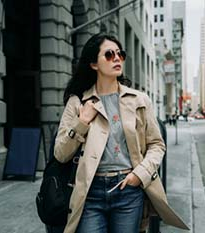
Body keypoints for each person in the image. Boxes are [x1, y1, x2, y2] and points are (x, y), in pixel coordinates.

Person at [54, 33, 188, 233]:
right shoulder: (78, 103)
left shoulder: (139, 100)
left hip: (128, 189)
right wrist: (82, 122)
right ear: (94, 64)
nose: (117, 58)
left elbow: (157, 145)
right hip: (89, 193)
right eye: (109, 55)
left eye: (120, 54)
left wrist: (139, 175)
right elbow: (60, 153)